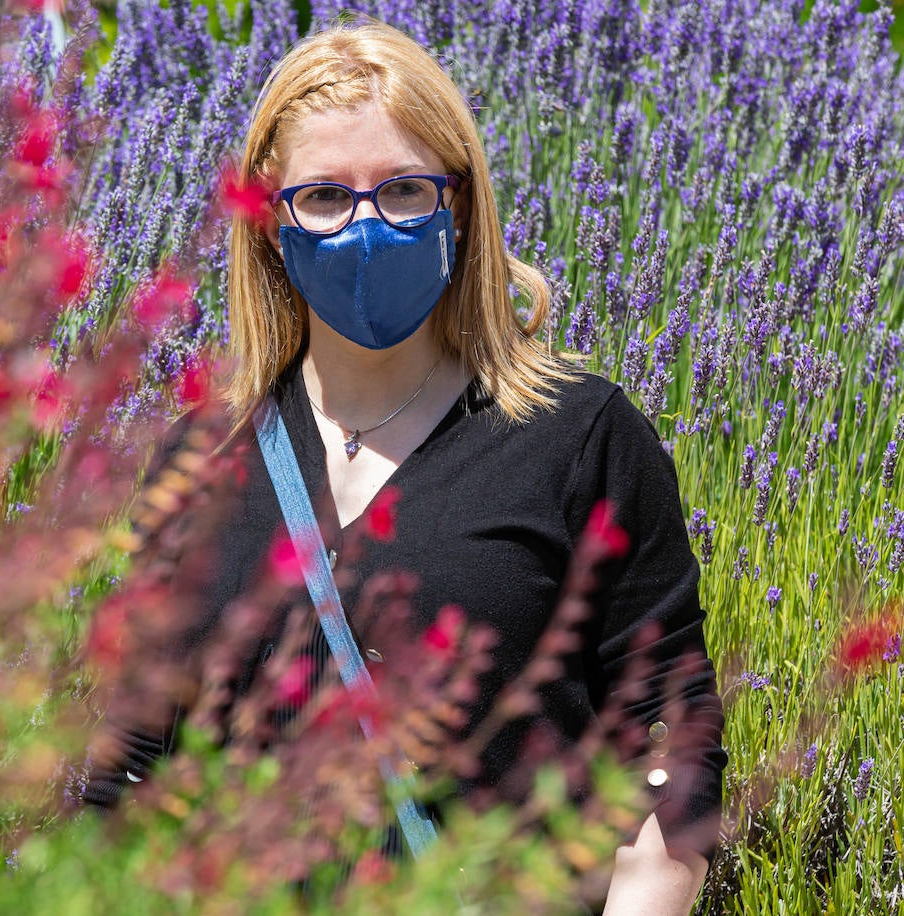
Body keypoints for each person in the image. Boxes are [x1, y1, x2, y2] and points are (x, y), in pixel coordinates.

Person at [87, 18, 725, 914]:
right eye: (324, 198)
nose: (365, 225)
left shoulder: (579, 438)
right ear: (273, 224)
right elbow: (129, 770)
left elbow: (669, 746)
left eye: (403, 191)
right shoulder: (204, 459)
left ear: (458, 206)